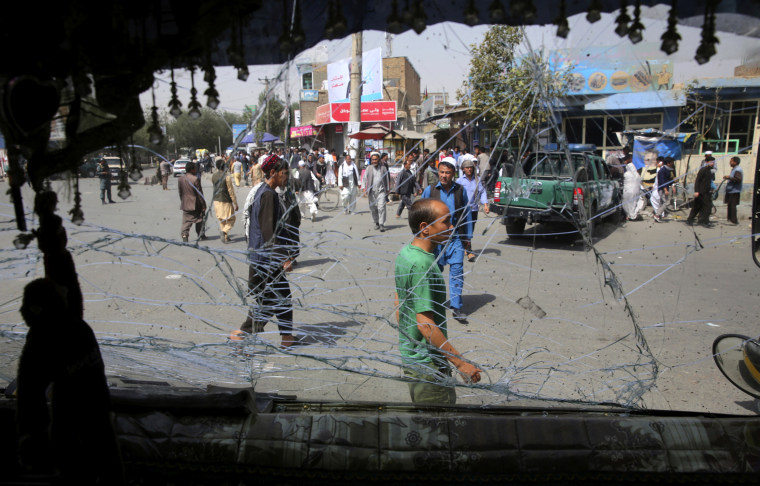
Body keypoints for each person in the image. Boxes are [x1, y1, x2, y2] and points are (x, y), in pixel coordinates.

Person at [394, 198, 482, 404]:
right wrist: (460, 364)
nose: (451, 227)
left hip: (412, 356)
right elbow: (425, 323)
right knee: (438, 427)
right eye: (446, 222)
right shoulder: (423, 264)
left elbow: (400, 302)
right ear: (425, 228)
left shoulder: (406, 253)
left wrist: (411, 343)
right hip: (428, 366)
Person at [231, 155, 296, 349]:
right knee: (270, 301)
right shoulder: (268, 195)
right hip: (267, 259)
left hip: (262, 256)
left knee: (279, 298)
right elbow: (268, 230)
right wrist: (283, 257)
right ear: (273, 173)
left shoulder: (261, 190)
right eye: (285, 174)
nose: (287, 178)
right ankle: (242, 333)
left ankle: (286, 338)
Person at [421, 160, 471, 321]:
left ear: (453, 174)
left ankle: (456, 307)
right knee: (435, 272)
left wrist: (467, 236)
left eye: (447, 173)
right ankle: (432, 304)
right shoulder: (430, 191)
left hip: (455, 237)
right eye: (441, 172)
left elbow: (466, 213)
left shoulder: (460, 191)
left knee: (457, 270)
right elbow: (420, 211)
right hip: (436, 240)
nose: (444, 176)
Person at [456, 159, 489, 262]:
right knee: (462, 229)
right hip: (462, 210)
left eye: (471, 167)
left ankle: (466, 247)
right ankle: (468, 250)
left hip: (473, 209)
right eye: (467, 167)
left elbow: (482, 192)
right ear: (463, 169)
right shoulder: (459, 181)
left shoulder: (477, 180)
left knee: (470, 230)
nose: (469, 169)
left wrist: (485, 204)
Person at [178, 161, 207, 242]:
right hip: (196, 204)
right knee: (199, 219)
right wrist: (203, 205)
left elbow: (180, 192)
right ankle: (200, 234)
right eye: (195, 168)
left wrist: (183, 201)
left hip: (186, 203)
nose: (196, 169)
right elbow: (199, 194)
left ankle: (184, 235)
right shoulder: (195, 179)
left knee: (186, 221)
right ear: (191, 169)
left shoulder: (181, 179)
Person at [211, 157, 238, 244]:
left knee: (221, 219)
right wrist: (235, 203)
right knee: (231, 218)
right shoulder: (227, 177)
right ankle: (224, 232)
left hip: (216, 200)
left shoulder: (214, 176)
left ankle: (225, 237)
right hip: (225, 200)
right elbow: (231, 191)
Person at [364, 152, 390, 231]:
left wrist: (388, 189)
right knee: (373, 208)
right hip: (372, 192)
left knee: (381, 207)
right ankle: (377, 222)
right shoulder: (369, 168)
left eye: (375, 159)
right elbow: (365, 178)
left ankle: (381, 224)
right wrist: (363, 188)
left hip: (381, 191)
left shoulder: (383, 168)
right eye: (373, 160)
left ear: (378, 159)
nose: (374, 161)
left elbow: (387, 179)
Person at [687, 155, 715, 227]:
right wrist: (696, 191)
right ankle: (690, 219)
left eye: (713, 162)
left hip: (707, 192)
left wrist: (712, 189)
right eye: (711, 162)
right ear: (706, 162)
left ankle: (704, 221)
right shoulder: (703, 170)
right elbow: (697, 181)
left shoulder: (710, 171)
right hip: (700, 192)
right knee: (697, 207)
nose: (712, 164)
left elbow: (710, 182)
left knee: (707, 207)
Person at [394, 153, 421, 218]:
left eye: (410, 165)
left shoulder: (410, 172)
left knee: (403, 203)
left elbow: (414, 181)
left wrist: (419, 188)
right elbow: (398, 182)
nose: (410, 166)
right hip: (403, 191)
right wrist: (397, 191)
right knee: (409, 204)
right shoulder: (402, 173)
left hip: (409, 190)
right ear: (405, 165)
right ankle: (413, 216)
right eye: (409, 165)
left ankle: (398, 214)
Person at [654, 157, 676, 222]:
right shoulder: (662, 171)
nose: (673, 163)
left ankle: (658, 216)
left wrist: (673, 186)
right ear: (668, 163)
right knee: (667, 202)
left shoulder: (670, 170)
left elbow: (671, 180)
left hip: (666, 188)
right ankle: (657, 215)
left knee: (662, 202)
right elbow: (662, 181)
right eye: (672, 162)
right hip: (662, 189)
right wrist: (665, 190)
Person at [723, 156, 743, 225]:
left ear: (735, 162)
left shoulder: (738, 170)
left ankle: (734, 220)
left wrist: (729, 177)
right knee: (730, 205)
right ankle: (730, 219)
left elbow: (738, 179)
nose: (730, 163)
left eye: (731, 161)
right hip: (731, 190)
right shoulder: (734, 169)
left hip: (734, 191)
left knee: (732, 205)